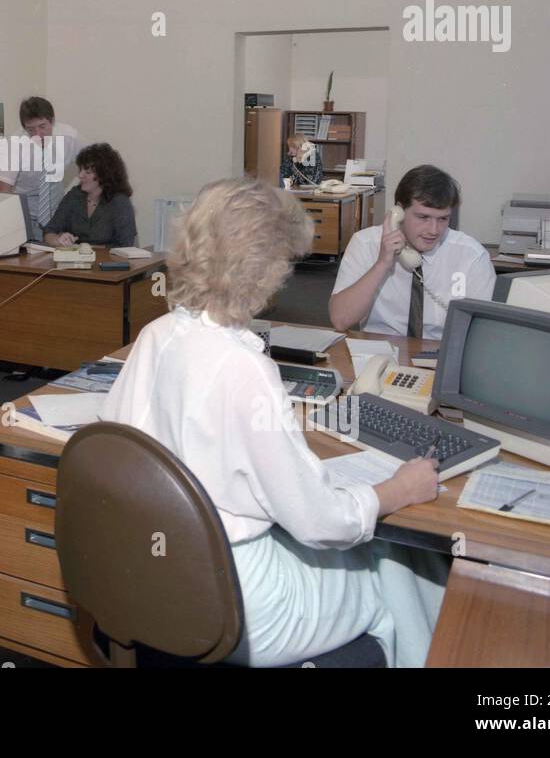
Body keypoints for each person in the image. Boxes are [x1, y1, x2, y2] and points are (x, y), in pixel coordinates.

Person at [98, 178, 445, 667]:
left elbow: (122, 449)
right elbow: (319, 522)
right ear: (263, 269)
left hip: (161, 577)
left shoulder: (156, 335)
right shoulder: (243, 367)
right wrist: (397, 490)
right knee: (390, 572)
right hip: (242, 603)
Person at [329, 165, 495, 339]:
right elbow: (340, 320)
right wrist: (382, 263)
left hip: (441, 356)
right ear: (398, 212)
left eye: (443, 219)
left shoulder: (472, 256)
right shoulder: (365, 243)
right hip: (381, 355)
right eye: (423, 217)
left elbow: (482, 335)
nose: (433, 230)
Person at [0, 96, 83, 241]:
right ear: (24, 128)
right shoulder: (15, 145)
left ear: (52, 121)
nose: (37, 135)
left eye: (42, 127)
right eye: (31, 130)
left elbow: (95, 165)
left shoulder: (69, 137)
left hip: (58, 217)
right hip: (26, 216)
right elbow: (3, 191)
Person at [43, 142, 137, 248]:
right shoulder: (74, 196)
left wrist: (86, 248)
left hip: (109, 262)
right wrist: (58, 240)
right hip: (75, 263)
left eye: (87, 172)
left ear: (104, 175)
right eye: (81, 170)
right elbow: (48, 232)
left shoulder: (119, 202)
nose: (80, 175)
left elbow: (126, 245)